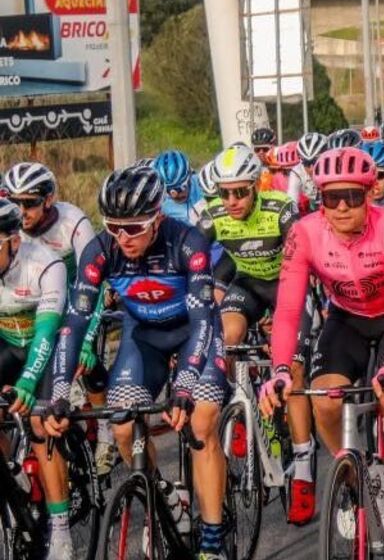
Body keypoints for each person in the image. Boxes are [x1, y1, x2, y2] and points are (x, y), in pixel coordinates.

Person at [45, 166, 230, 560]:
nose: (123, 237)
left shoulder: (188, 243)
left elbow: (201, 322)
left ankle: (213, 535)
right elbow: (73, 324)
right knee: (124, 425)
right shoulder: (101, 250)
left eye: (134, 227)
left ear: (158, 217)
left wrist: (183, 388)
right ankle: (164, 495)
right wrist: (59, 393)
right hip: (143, 336)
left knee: (201, 421)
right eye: (114, 226)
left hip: (194, 331)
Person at [259, 147, 384, 560]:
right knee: (326, 402)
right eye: (330, 197)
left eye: (351, 196)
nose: (340, 207)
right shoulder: (305, 232)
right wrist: (280, 371)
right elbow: (286, 312)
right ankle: (350, 474)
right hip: (346, 320)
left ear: (369, 195)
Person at [198, 146, 317, 525]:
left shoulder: (280, 209)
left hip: (287, 283)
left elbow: (306, 259)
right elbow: (190, 262)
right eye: (224, 193)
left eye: (240, 192)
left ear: (256, 186)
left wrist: (282, 318)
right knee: (226, 338)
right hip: (248, 283)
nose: (231, 201)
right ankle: (238, 412)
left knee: (292, 371)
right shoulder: (213, 214)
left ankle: (302, 467)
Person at [0, 198, 77, 557]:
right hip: (7, 342)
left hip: (46, 345)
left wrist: (28, 383)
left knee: (39, 422)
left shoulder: (44, 263)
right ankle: (10, 475)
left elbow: (46, 335)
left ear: (13, 241)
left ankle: (60, 529)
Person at [155, 150, 201, 225]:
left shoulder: (203, 185)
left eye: (180, 188)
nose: (175, 195)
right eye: (168, 190)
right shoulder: (161, 206)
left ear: (189, 176)